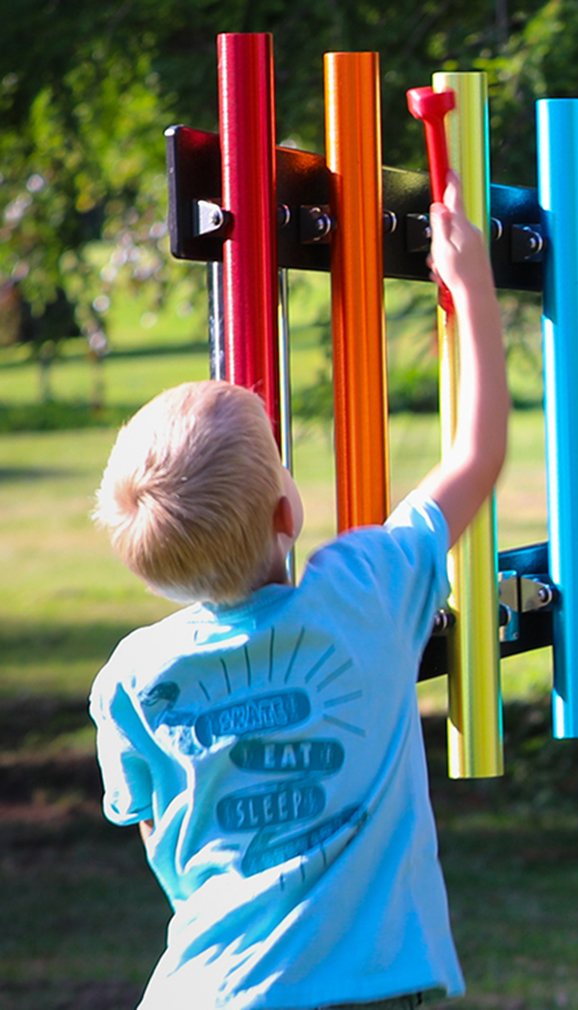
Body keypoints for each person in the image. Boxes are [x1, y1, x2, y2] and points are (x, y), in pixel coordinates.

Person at [89, 173, 508, 1010]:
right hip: (364, 987)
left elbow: (159, 839)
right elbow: (477, 455)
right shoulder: (365, 592)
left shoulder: (132, 678)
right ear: (290, 509)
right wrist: (472, 287)